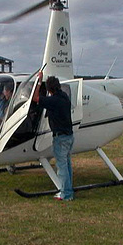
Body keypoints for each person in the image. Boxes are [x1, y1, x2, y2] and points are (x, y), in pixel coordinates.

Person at [32, 72, 74, 200]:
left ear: (49, 89)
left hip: (60, 138)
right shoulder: (64, 97)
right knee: (66, 165)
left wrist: (39, 83)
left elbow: (35, 99)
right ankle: (68, 190)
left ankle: (66, 194)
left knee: (62, 167)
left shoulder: (53, 100)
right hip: (69, 136)